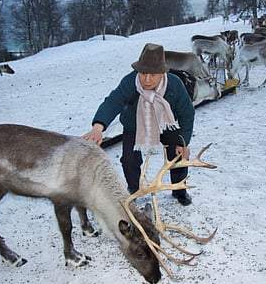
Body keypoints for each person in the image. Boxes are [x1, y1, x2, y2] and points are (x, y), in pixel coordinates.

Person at [83, 43, 195, 206]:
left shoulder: (175, 84)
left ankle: (180, 190)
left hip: (166, 125)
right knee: (129, 160)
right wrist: (98, 127)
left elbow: (187, 113)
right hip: (135, 126)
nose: (147, 80)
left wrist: (182, 142)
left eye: (153, 75)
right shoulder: (130, 82)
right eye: (143, 73)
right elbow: (113, 101)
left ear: (162, 73)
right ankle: (134, 190)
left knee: (179, 155)